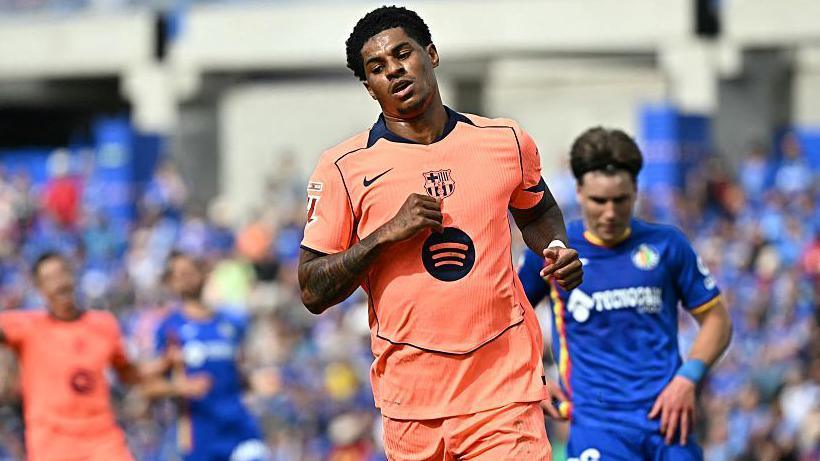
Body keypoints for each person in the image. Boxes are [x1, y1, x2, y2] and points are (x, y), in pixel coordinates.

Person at [298, 6, 583, 460]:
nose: (394, 70)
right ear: (368, 86)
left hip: (503, 392)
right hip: (411, 403)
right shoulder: (342, 169)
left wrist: (556, 247)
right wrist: (384, 235)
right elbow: (312, 289)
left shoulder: (504, 140)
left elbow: (538, 209)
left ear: (430, 54)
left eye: (403, 54)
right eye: (377, 68)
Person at [518, 127, 733, 460]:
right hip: (597, 422)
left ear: (635, 191)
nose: (609, 212)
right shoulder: (555, 251)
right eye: (598, 201)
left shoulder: (666, 244)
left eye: (620, 200)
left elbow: (717, 320)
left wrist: (687, 379)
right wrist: (532, 376)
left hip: (667, 418)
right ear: (578, 192)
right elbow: (508, 315)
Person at [0, 251, 136, 461]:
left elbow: (129, 373)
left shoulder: (103, 324)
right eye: (49, 279)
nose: (59, 284)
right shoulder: (27, 327)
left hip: (102, 442)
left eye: (62, 274)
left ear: (73, 276)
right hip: (52, 445)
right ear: (40, 289)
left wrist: (166, 370)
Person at [149, 251, 270, 461]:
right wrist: (181, 387)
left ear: (203, 273)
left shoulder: (230, 323)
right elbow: (149, 387)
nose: (184, 279)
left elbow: (239, 373)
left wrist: (256, 382)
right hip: (199, 433)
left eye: (188, 272)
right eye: (177, 275)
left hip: (238, 426)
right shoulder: (169, 329)